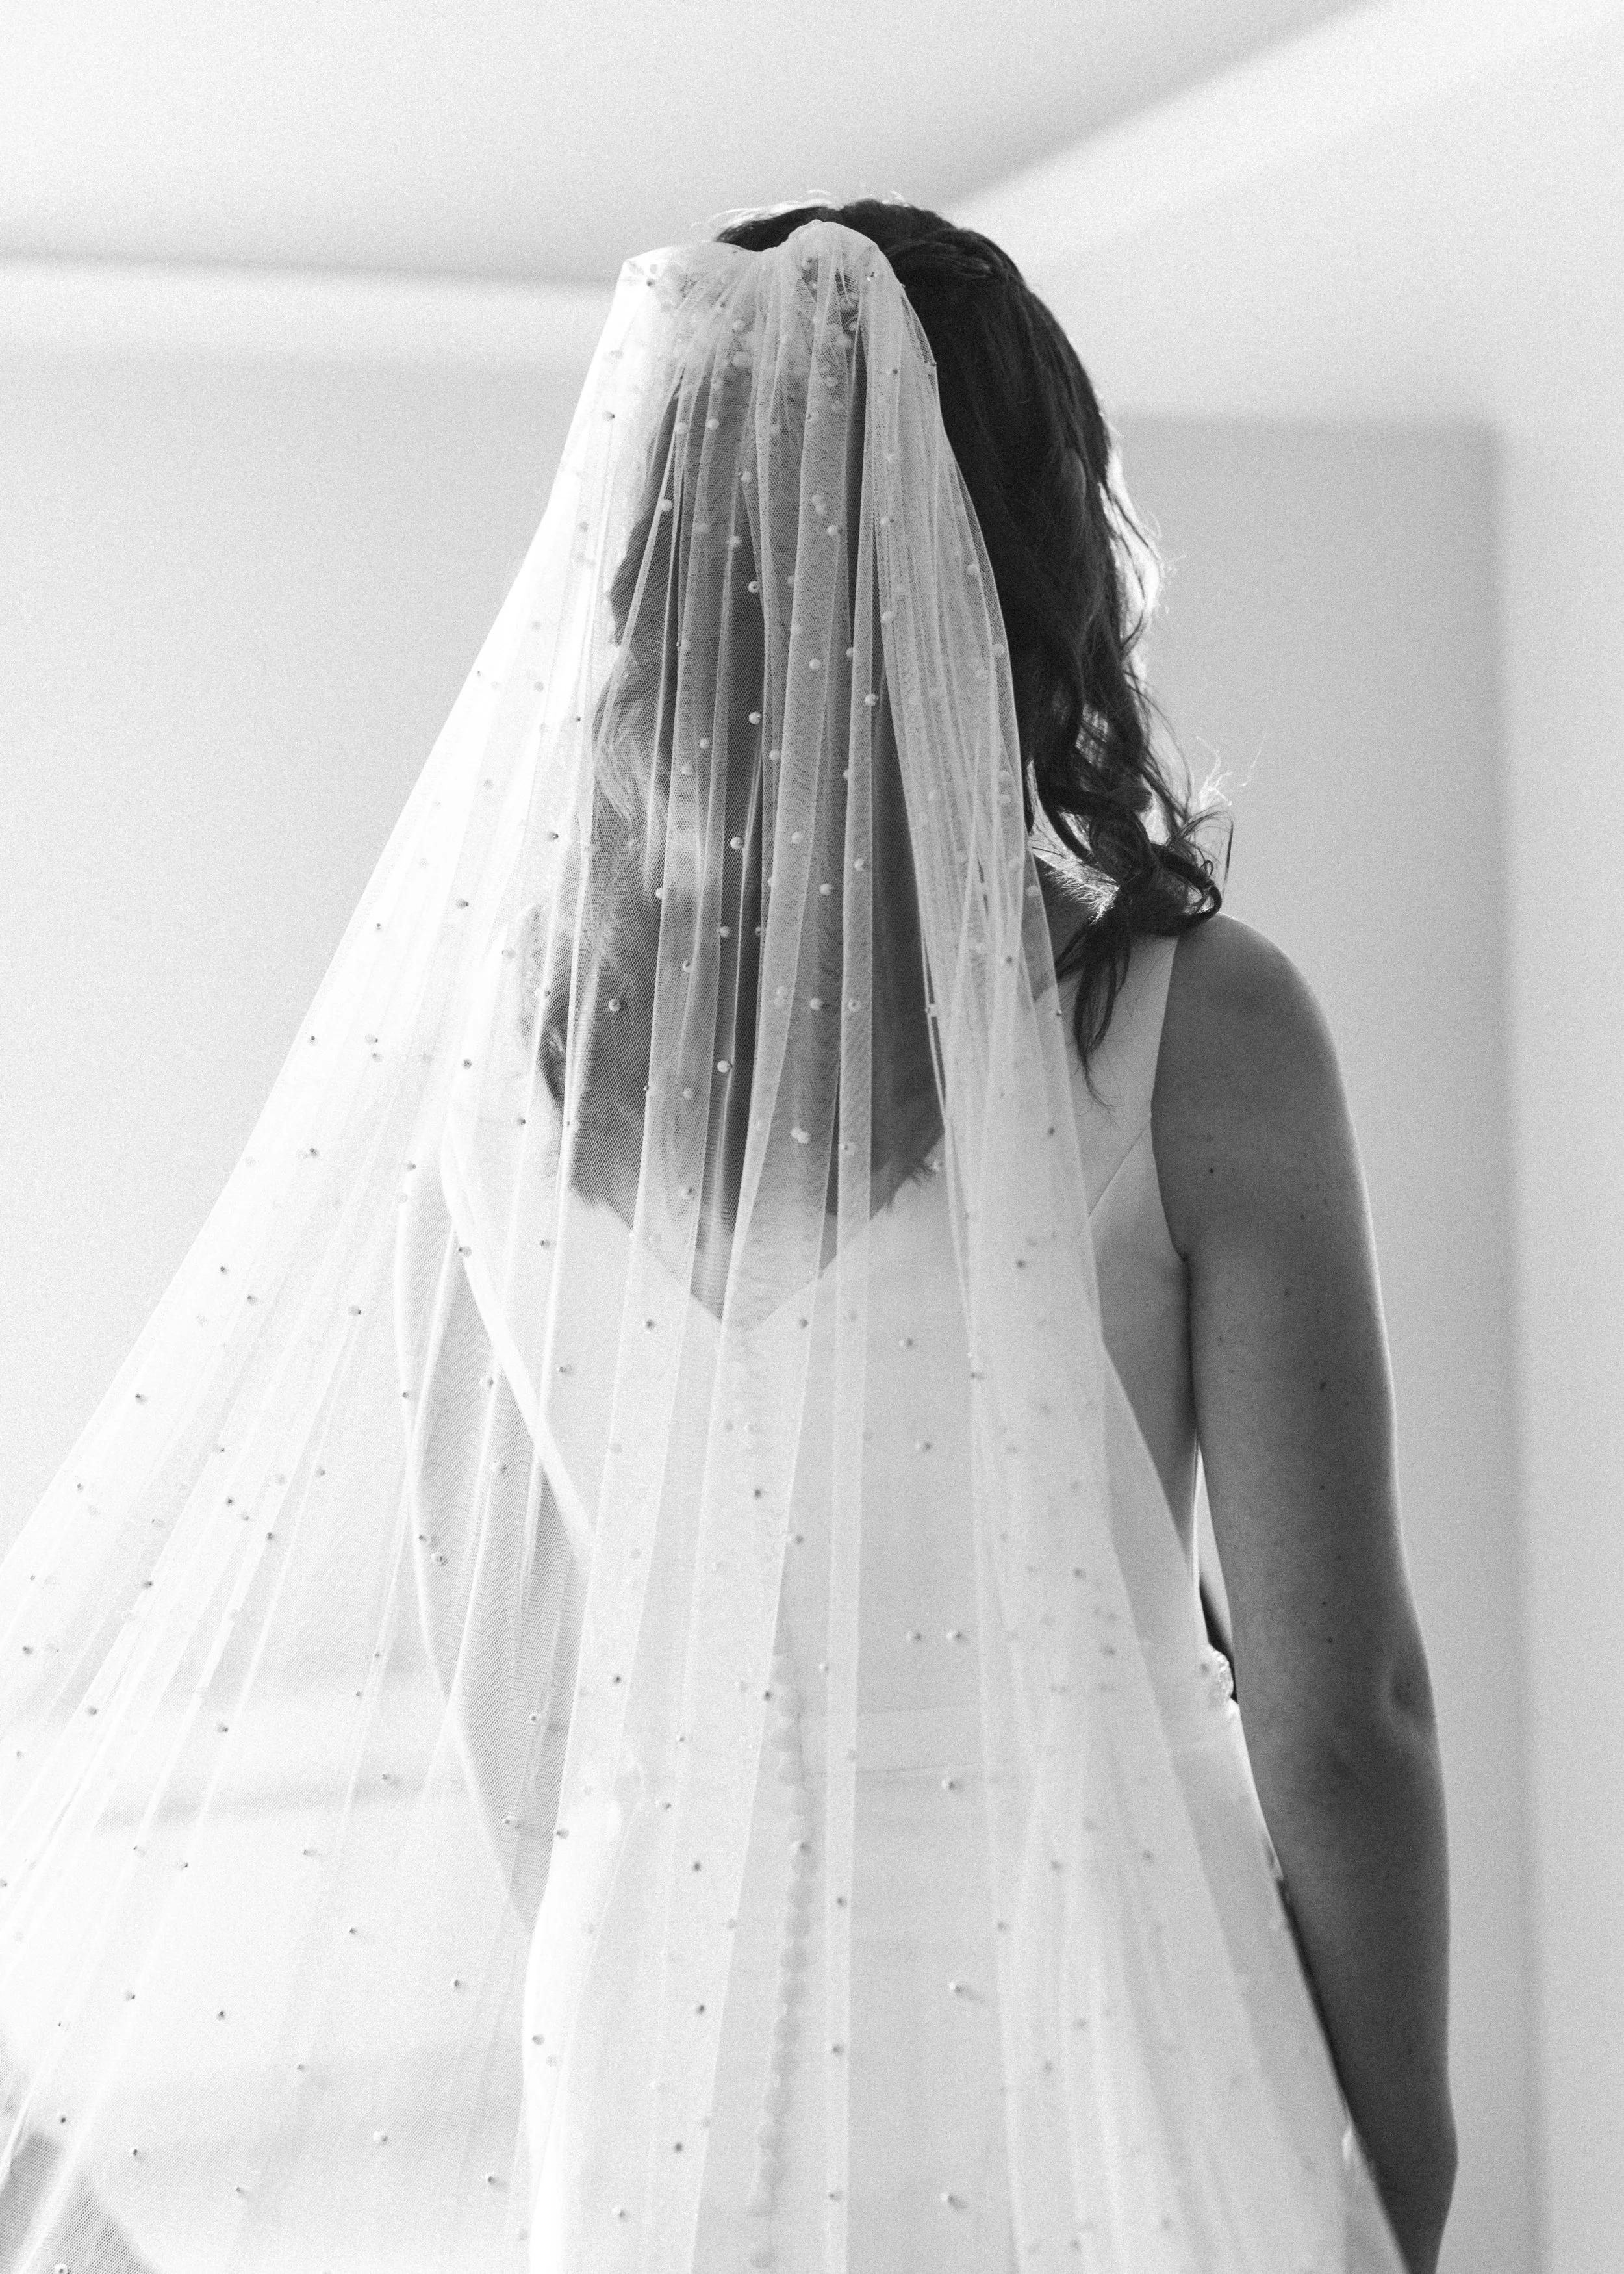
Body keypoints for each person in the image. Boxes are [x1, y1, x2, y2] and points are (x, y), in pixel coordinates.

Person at [0, 203, 1454, 2273]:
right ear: (1028, 568)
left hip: (668, 2023)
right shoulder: (1193, 1034)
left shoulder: (485, 1072)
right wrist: (1396, 2162)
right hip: (1110, 2002)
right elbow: (1341, 1712)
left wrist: (669, 1973)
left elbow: (523, 1702)